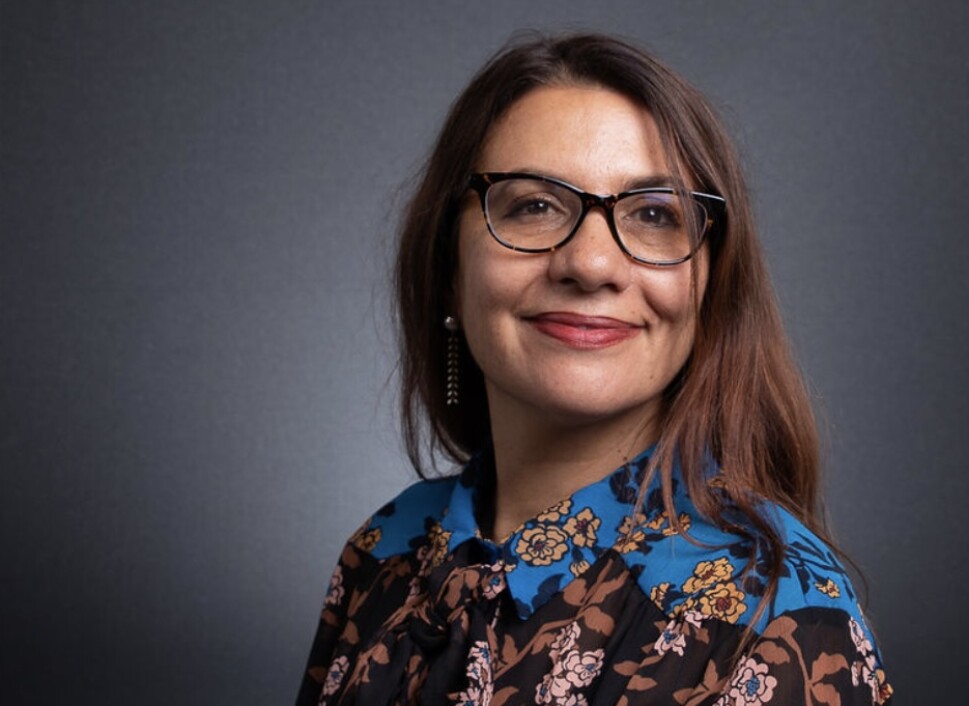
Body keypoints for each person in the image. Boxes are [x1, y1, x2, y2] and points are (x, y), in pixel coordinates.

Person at [296, 32, 893, 706]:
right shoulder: (383, 553)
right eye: (534, 205)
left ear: (711, 287)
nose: (591, 264)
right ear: (447, 271)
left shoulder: (782, 624)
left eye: (653, 215)